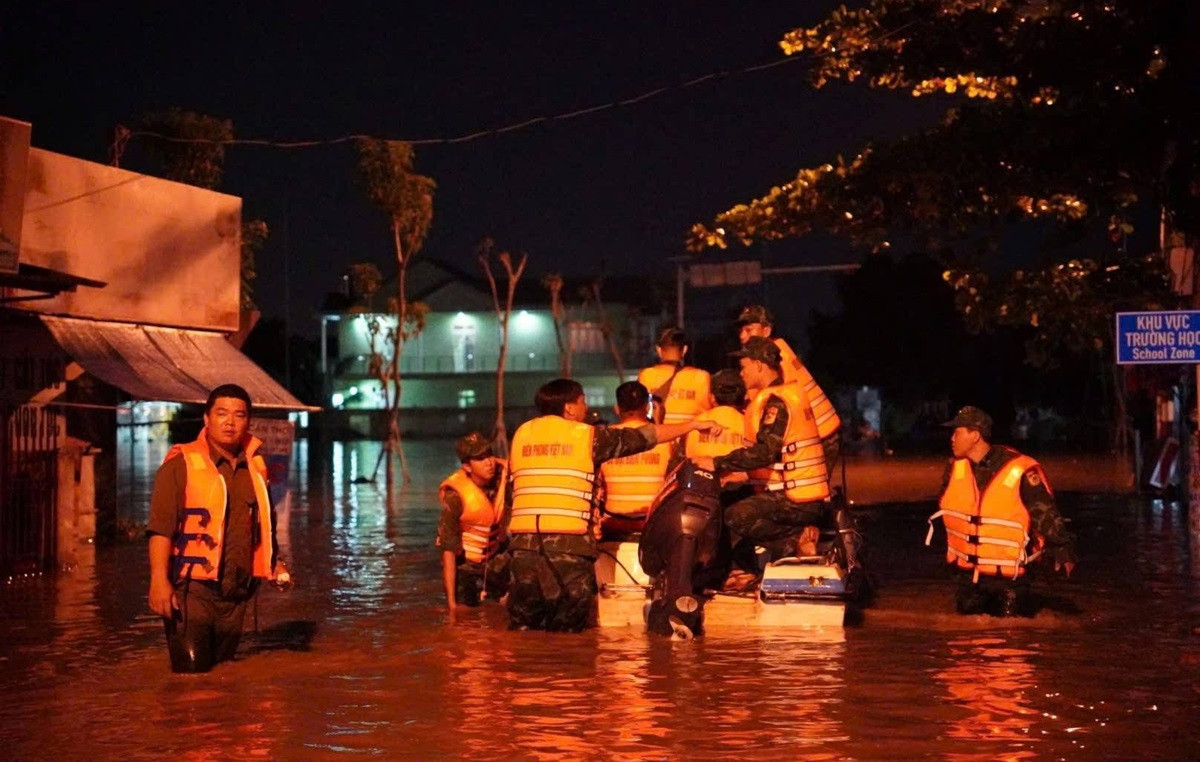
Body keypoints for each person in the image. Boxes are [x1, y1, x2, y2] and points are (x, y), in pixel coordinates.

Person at [505, 378, 723, 632]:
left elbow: (513, 492)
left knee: (523, 629)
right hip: (568, 548)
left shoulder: (521, 435)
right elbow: (647, 436)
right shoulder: (586, 436)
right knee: (567, 632)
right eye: (582, 401)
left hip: (522, 549)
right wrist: (694, 424)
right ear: (569, 409)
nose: (585, 408)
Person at [146, 384, 291, 673]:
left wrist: (273, 564)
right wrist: (158, 581)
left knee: (222, 680)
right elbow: (160, 528)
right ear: (206, 419)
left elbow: (264, 525)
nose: (230, 421)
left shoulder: (256, 470)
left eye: (239, 415)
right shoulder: (181, 465)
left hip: (236, 596)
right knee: (192, 682)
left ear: (248, 422)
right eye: (222, 413)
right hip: (191, 593)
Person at [692, 338, 831, 581]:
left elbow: (765, 452)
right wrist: (737, 476)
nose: (741, 373)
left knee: (734, 516)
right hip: (795, 491)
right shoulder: (787, 394)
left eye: (744, 366)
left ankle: (794, 542)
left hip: (796, 500)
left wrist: (716, 464)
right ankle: (747, 570)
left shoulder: (777, 402)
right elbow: (777, 458)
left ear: (758, 365)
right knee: (733, 504)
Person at [927, 406, 1077, 617]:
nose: (951, 438)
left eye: (957, 432)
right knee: (966, 642)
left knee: (1009, 639)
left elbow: (1044, 512)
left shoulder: (1019, 468)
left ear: (975, 436)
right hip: (968, 577)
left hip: (1010, 580)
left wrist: (1062, 549)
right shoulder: (954, 468)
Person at [736, 305, 840, 442]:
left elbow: (767, 403)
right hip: (818, 429)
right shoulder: (774, 352)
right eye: (741, 330)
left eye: (749, 330)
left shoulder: (775, 357)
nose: (742, 336)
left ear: (766, 331)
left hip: (818, 433)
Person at [436, 431, 509, 610]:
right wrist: (452, 605)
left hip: (497, 557)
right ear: (467, 467)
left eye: (489, 454)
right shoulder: (455, 496)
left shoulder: (506, 476)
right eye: (480, 458)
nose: (489, 462)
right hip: (467, 565)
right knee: (465, 617)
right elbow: (448, 550)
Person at [598, 382, 674, 536]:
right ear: (647, 407)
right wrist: (658, 422)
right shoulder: (666, 441)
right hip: (653, 524)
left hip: (612, 525)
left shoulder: (603, 440)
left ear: (617, 409)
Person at [637, 327, 712, 425]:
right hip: (689, 437)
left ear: (659, 350)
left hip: (657, 438)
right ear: (684, 350)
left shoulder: (646, 376)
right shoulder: (701, 377)